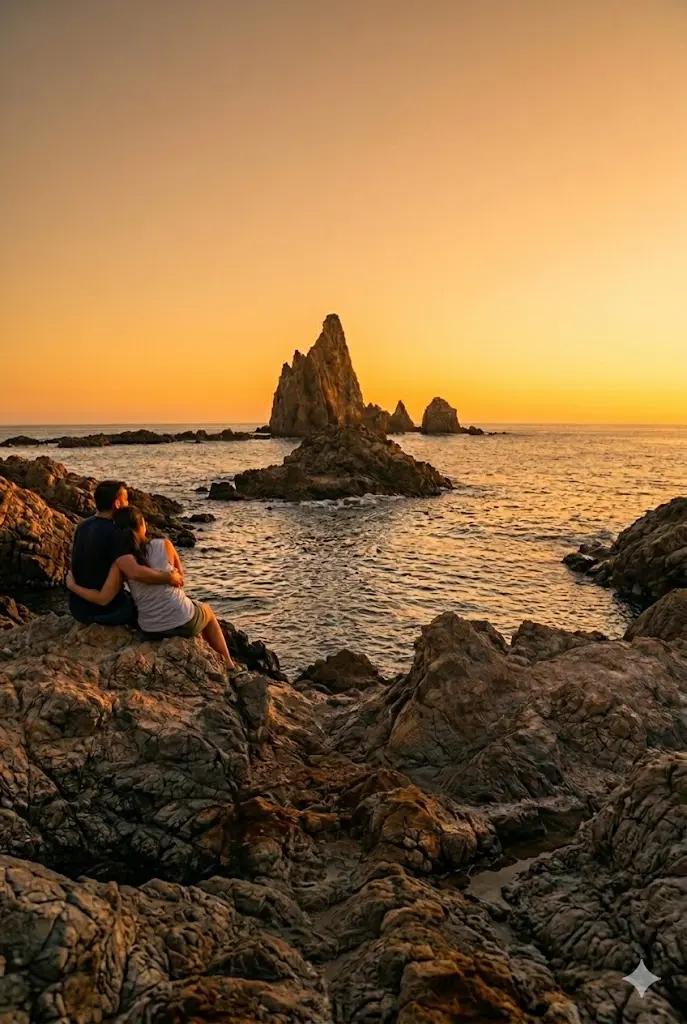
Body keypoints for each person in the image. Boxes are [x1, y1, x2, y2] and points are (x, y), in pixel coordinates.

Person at [67, 504, 236, 668]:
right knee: (207, 611)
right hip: (183, 621)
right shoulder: (164, 545)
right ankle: (228, 662)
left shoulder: (121, 563)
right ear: (142, 526)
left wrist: (73, 586)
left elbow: (103, 599)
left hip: (150, 629)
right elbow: (180, 580)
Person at [69, 480, 182, 626]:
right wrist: (169, 577)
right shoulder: (116, 532)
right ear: (117, 504)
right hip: (106, 612)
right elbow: (135, 572)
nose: (128, 504)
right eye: (126, 500)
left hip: (78, 608)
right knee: (146, 608)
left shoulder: (83, 525)